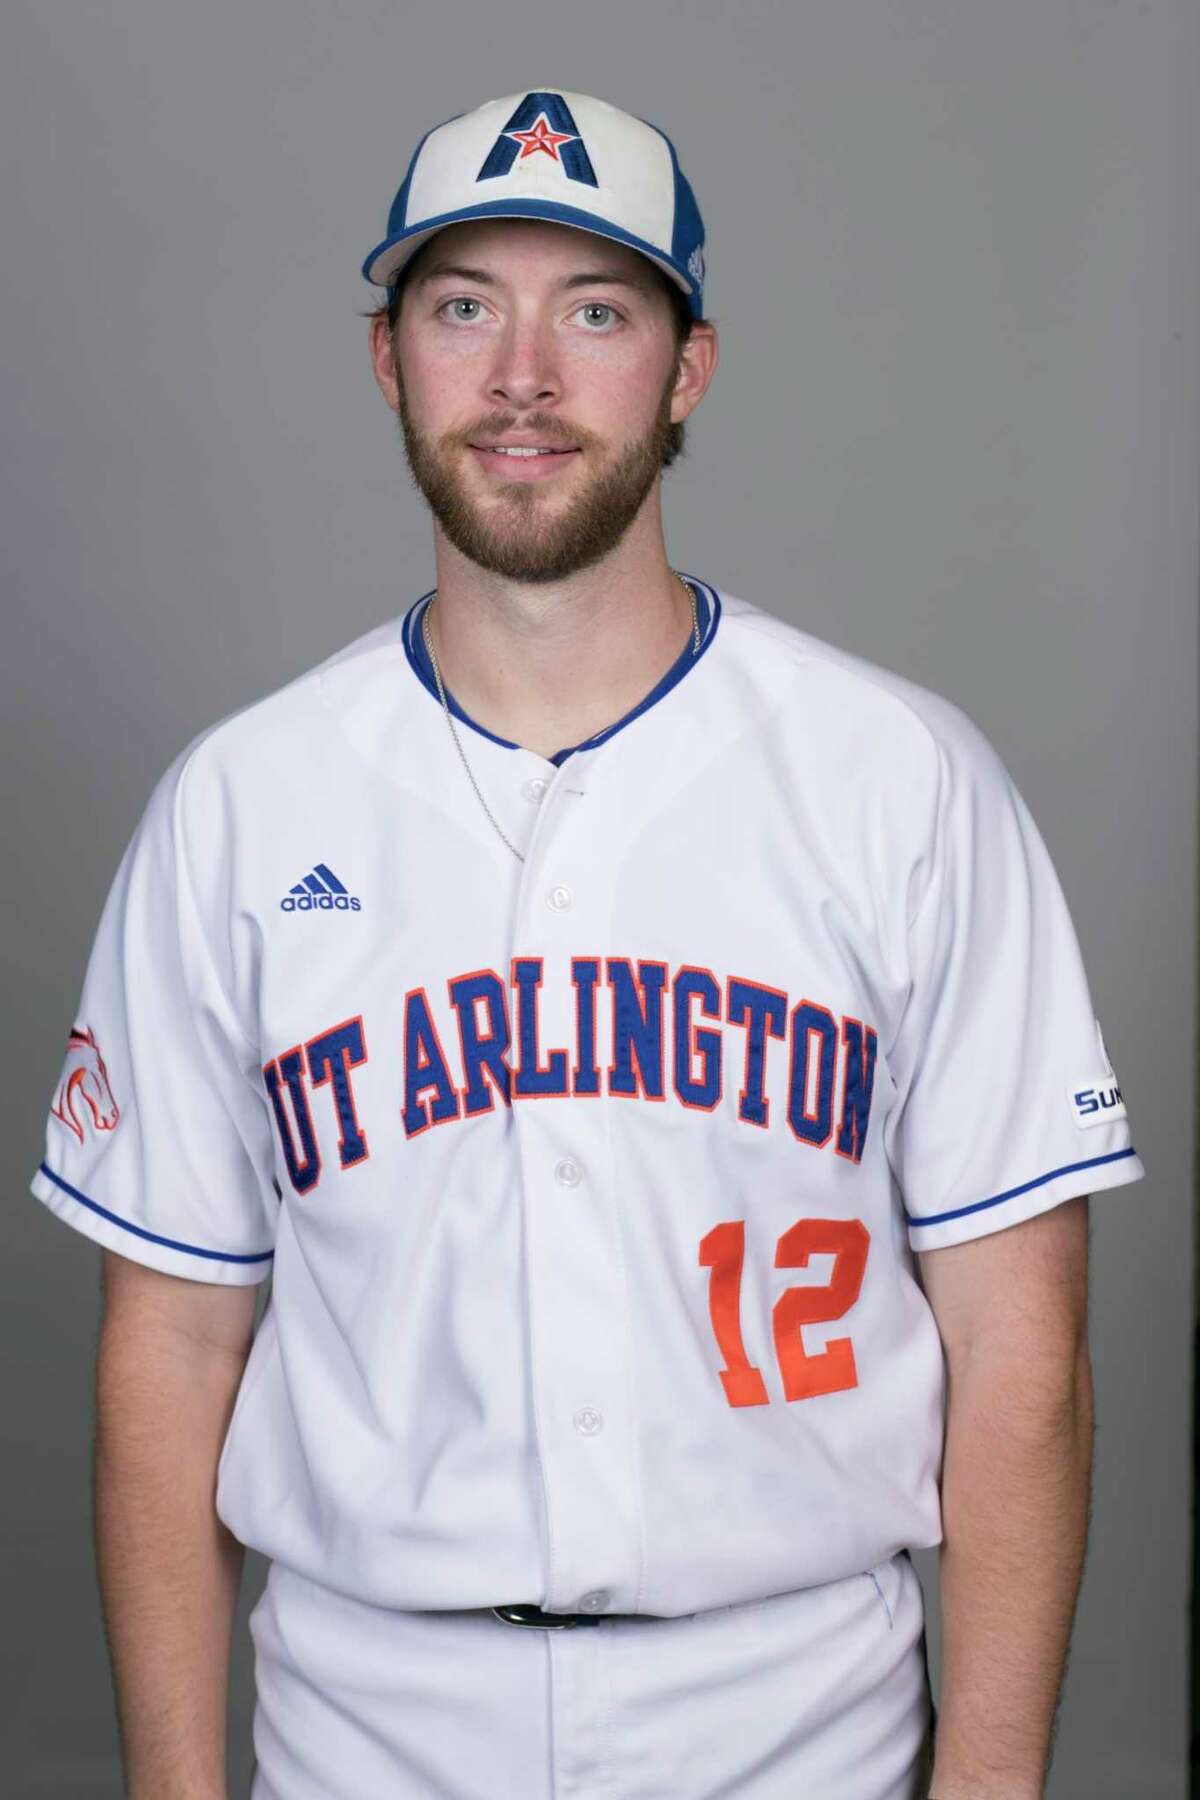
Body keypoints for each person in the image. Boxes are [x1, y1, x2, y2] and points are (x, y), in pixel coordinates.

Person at [30, 87, 1145, 1800]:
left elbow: (1020, 1350)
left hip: (799, 1727)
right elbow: (169, 1352)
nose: (525, 375)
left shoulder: (899, 782)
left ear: (688, 369)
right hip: (364, 1732)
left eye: (598, 311)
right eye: (463, 304)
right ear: (387, 359)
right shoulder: (238, 807)